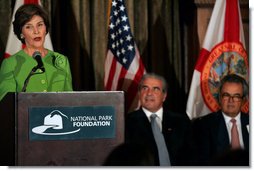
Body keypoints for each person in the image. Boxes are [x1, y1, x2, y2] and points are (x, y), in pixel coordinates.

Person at [0, 4, 73, 101]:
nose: (36, 31)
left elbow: (70, 101)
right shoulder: (10, 64)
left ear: (45, 28)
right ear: (21, 34)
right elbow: (7, 105)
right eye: (29, 27)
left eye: (40, 25)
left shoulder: (61, 61)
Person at [125, 73, 193, 166]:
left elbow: (192, 156)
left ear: (164, 96)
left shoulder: (181, 122)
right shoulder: (127, 123)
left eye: (155, 89)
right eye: (145, 88)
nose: (149, 93)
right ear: (139, 93)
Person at [192, 74, 249, 165]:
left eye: (236, 96)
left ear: (243, 100)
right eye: (226, 95)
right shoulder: (204, 126)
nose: (231, 100)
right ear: (219, 98)